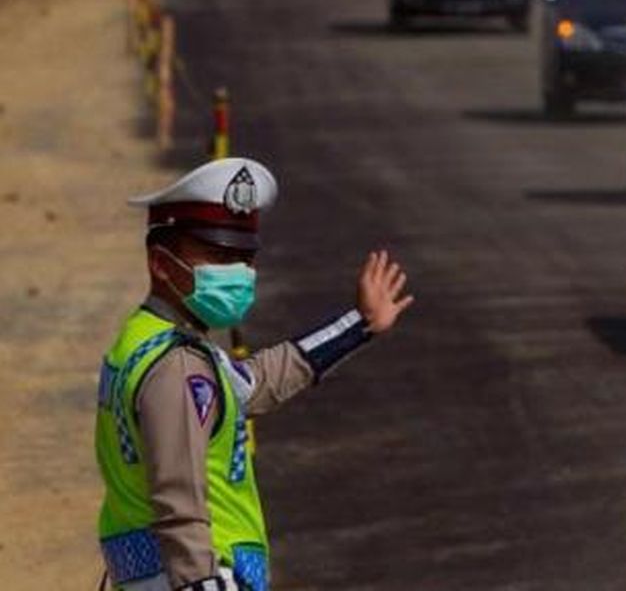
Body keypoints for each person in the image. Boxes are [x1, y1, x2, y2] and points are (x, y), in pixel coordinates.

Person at [95, 158, 413, 591]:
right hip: (198, 576)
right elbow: (179, 502)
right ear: (161, 264)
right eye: (218, 255)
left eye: (244, 257)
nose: (238, 271)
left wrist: (360, 324)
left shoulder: (144, 340)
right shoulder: (177, 367)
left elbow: (250, 384)